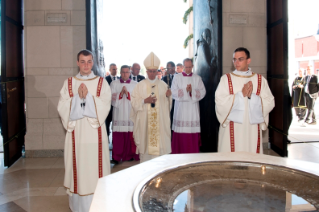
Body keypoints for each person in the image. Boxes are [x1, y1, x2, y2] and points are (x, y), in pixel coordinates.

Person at [57, 49, 111, 211]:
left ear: (93, 62)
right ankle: (78, 207)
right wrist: (77, 98)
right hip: (77, 135)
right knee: (78, 168)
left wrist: (87, 97)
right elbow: (62, 106)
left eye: (89, 61)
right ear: (77, 63)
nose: (86, 65)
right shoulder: (68, 83)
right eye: (82, 61)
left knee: (95, 169)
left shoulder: (102, 82)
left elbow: (105, 105)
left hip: (96, 136)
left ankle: (98, 203)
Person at [215, 47, 275, 153]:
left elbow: (270, 101)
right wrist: (240, 95)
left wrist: (253, 97)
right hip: (231, 128)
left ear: (248, 61)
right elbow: (220, 102)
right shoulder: (226, 79)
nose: (236, 62)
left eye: (240, 59)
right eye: (234, 59)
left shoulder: (260, 80)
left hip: (251, 129)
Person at [130, 52, 172, 163]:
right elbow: (134, 102)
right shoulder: (140, 86)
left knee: (159, 158)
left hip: (159, 126)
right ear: (146, 71)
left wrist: (168, 97)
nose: (152, 74)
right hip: (145, 125)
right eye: (150, 71)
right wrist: (144, 101)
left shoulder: (163, 85)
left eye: (154, 71)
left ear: (157, 71)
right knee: (146, 152)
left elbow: (167, 108)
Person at [171, 58, 206, 153]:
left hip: (192, 110)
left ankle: (192, 152)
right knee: (180, 131)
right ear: (183, 66)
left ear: (192, 66)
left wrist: (192, 91)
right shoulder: (177, 77)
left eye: (189, 67)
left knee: (191, 131)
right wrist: (185, 90)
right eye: (186, 67)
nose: (187, 69)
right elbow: (173, 92)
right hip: (180, 110)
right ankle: (178, 152)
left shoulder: (197, 78)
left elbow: (203, 92)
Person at [110, 65, 139, 164]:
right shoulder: (114, 84)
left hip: (129, 113)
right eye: (123, 72)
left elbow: (137, 99)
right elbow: (111, 98)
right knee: (118, 136)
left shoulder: (135, 84)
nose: (125, 74)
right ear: (120, 73)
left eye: (127, 72)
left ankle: (129, 155)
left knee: (129, 135)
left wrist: (129, 95)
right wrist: (120, 94)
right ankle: (116, 156)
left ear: (130, 73)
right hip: (118, 113)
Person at [105, 64, 119, 140]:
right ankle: (106, 139)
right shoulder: (105, 79)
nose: (115, 70)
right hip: (109, 106)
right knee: (107, 124)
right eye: (113, 69)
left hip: (117, 107)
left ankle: (115, 140)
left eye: (116, 69)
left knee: (116, 124)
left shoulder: (120, 79)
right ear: (110, 70)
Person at [162, 61, 177, 129]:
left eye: (169, 68)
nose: (167, 70)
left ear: (174, 68)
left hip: (177, 102)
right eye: (167, 68)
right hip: (168, 102)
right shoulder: (164, 78)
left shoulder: (179, 77)